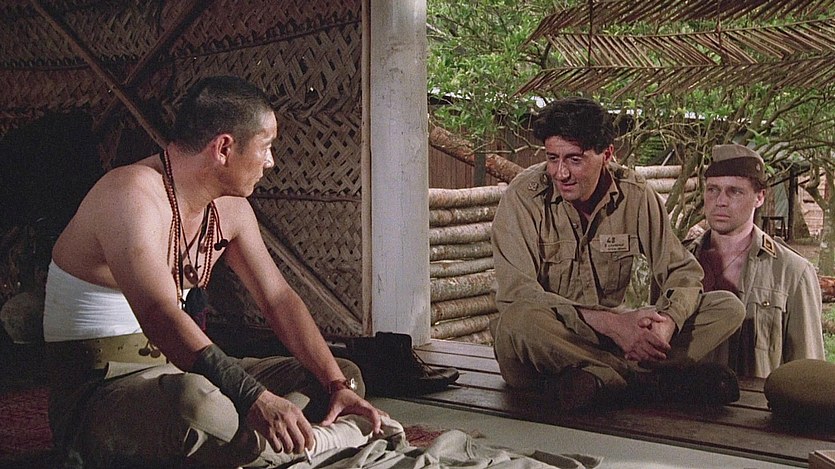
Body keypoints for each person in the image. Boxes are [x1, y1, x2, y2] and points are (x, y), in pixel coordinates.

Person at [42, 76, 389, 468]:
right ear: (224, 148)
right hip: (101, 395)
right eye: (265, 146)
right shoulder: (131, 194)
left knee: (340, 376)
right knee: (198, 408)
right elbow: (160, 315)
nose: (270, 162)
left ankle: (276, 442)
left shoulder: (230, 210)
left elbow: (277, 299)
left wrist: (335, 384)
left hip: (180, 373)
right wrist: (254, 397)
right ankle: (315, 441)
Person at [490, 97, 746, 411]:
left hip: (612, 343)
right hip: (550, 343)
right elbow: (517, 294)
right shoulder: (523, 198)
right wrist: (613, 324)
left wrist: (666, 324)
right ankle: (644, 380)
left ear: (607, 155)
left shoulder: (635, 195)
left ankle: (601, 378)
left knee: (726, 307)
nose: (560, 173)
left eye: (574, 159)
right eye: (552, 158)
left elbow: (682, 272)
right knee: (517, 320)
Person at [687, 144, 824, 378]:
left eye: (734, 191)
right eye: (713, 189)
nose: (720, 201)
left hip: (753, 400)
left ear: (759, 197)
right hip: (683, 399)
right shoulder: (680, 262)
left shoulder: (791, 272)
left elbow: (808, 375)